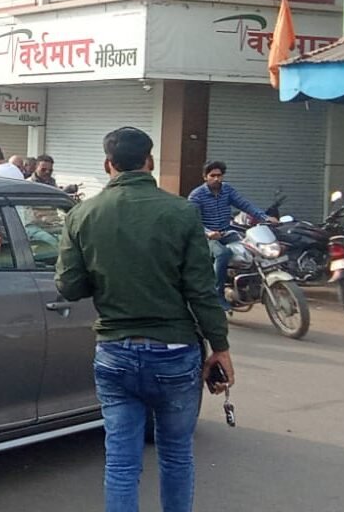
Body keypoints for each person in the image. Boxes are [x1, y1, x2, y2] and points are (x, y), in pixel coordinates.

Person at [56, 127, 232, 512]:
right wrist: (220, 347)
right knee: (176, 455)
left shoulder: (82, 214)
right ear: (149, 161)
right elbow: (202, 291)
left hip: (115, 353)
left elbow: (69, 286)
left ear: (108, 164)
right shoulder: (183, 212)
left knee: (121, 462)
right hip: (175, 354)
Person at [187, 161, 275, 311]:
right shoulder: (197, 195)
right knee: (223, 253)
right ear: (205, 177)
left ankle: (251, 285)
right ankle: (218, 295)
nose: (216, 179)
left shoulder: (227, 190)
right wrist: (208, 233)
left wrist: (264, 217)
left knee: (252, 248)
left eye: (219, 175)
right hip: (206, 237)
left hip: (226, 232)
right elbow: (193, 220)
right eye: (212, 175)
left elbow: (244, 204)